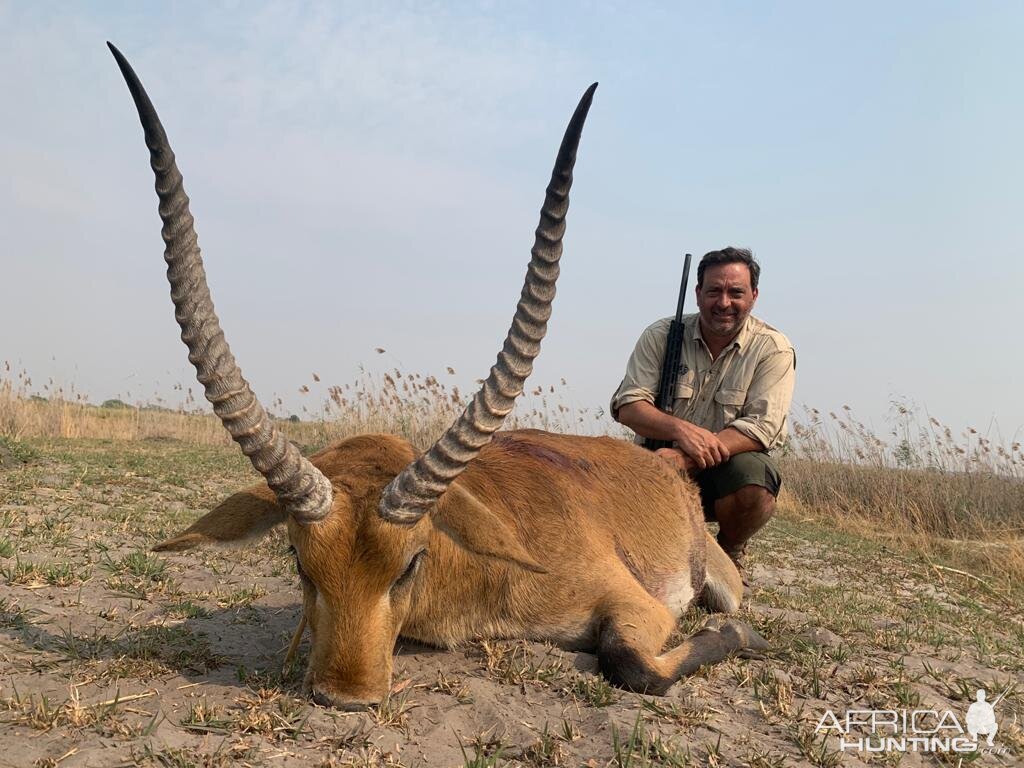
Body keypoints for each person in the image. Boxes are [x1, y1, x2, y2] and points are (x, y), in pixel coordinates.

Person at [610, 247, 795, 572]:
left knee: (755, 482)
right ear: (698, 294)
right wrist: (680, 431)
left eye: (735, 292)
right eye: (714, 291)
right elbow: (628, 405)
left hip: (720, 474)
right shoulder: (660, 336)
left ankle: (729, 553)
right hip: (656, 467)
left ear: (753, 296)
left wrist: (685, 457)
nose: (723, 302)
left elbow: (763, 427)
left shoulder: (773, 349)